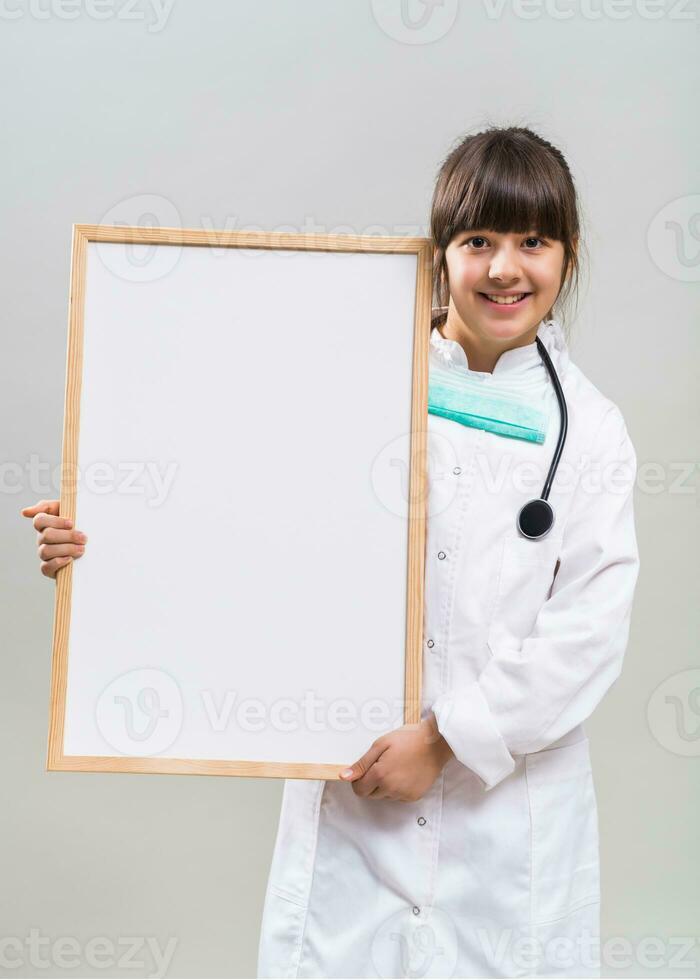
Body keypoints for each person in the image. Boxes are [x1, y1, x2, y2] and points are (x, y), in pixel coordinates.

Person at [23, 125, 640, 979]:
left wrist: (448, 740)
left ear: (568, 259)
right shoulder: (347, 375)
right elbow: (237, 510)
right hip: (357, 801)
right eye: (478, 241)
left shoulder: (594, 430)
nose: (506, 269)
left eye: (533, 241)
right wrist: (109, 542)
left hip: (510, 826)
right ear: (440, 254)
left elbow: (588, 633)